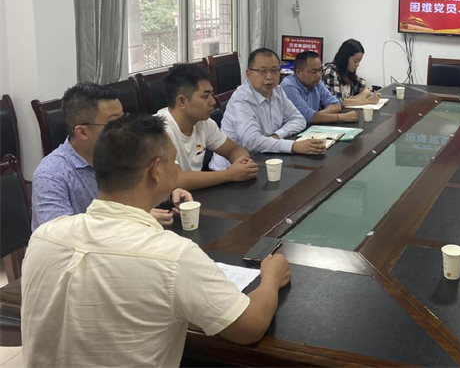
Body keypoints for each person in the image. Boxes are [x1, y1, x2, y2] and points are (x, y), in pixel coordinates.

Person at [21, 114, 292, 367]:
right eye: (173, 161)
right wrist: (271, 277)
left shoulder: (45, 237)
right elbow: (250, 327)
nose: (177, 168)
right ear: (156, 171)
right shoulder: (173, 256)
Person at [31, 82, 191, 231]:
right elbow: (57, 235)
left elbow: (140, 187)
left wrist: (170, 192)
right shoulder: (51, 174)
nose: (124, 128)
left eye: (123, 118)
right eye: (114, 122)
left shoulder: (124, 150)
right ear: (82, 132)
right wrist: (134, 219)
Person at [210, 49, 326, 170]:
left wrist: (277, 135)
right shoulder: (241, 100)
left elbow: (299, 119)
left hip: (266, 158)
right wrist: (294, 146)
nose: (269, 77)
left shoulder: (277, 91)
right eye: (263, 71)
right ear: (248, 74)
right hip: (231, 169)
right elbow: (253, 142)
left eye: (274, 70)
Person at [156, 64, 259, 189]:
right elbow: (175, 179)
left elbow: (234, 149)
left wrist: (244, 163)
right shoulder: (158, 131)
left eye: (212, 94)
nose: (213, 101)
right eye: (205, 96)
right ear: (182, 101)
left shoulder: (204, 122)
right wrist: (229, 174)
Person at [281, 50, 359, 124]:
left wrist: (317, 116)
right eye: (314, 71)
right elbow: (306, 116)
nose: (318, 75)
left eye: (320, 70)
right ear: (298, 72)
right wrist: (341, 117)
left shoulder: (317, 83)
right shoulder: (288, 86)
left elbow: (336, 104)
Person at [321, 39, 380, 107]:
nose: (357, 65)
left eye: (359, 61)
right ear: (345, 58)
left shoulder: (348, 72)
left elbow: (366, 89)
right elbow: (337, 101)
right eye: (355, 61)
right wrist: (368, 101)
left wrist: (356, 98)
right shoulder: (330, 72)